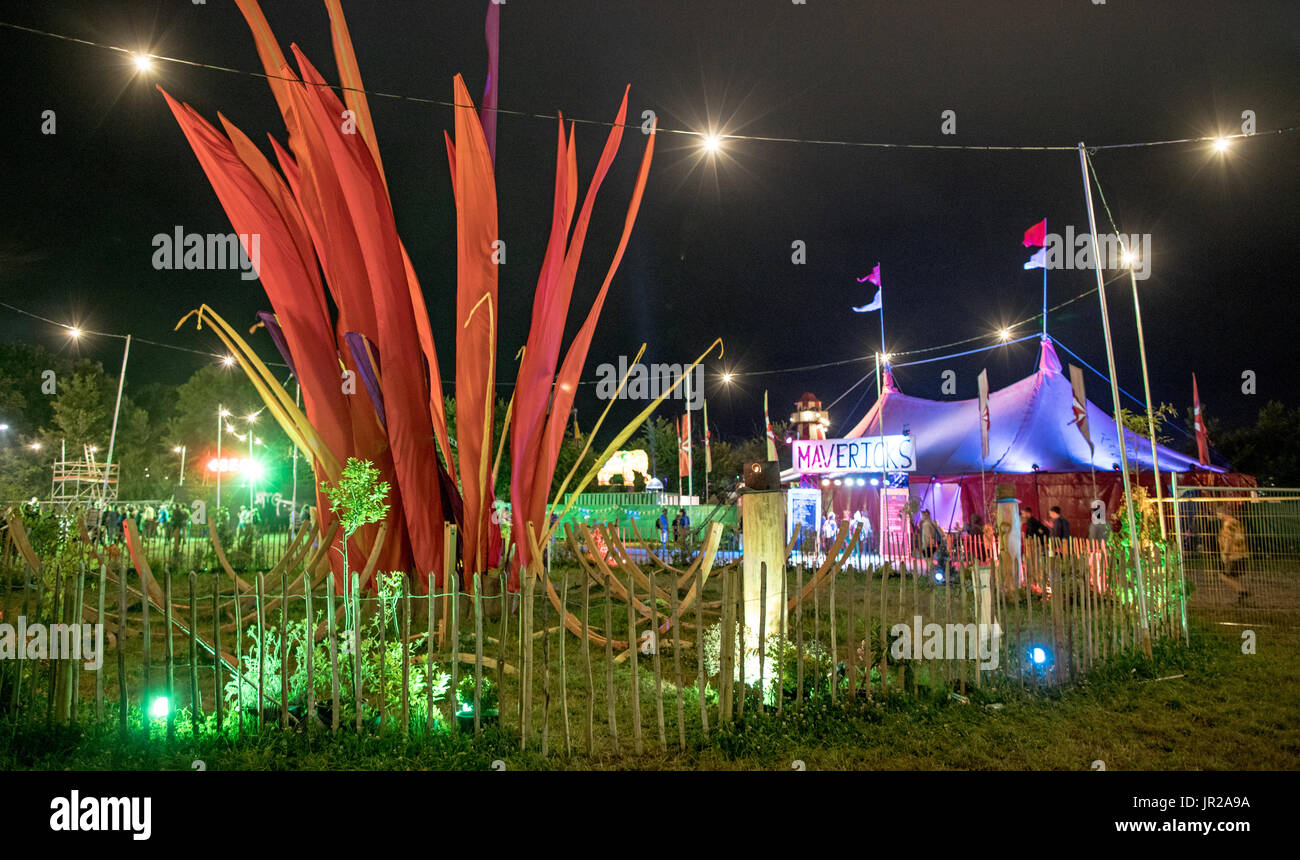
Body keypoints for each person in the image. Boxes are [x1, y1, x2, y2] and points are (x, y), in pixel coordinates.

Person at [1216, 509, 1249, 603]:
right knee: (1234, 576)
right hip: (1242, 553)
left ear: (1224, 513)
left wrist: (1225, 555)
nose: (1217, 514)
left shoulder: (1228, 525)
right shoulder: (1238, 523)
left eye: (1218, 512)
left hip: (1233, 555)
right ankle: (1241, 596)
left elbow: (1228, 539)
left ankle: (1243, 591)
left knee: (1223, 575)